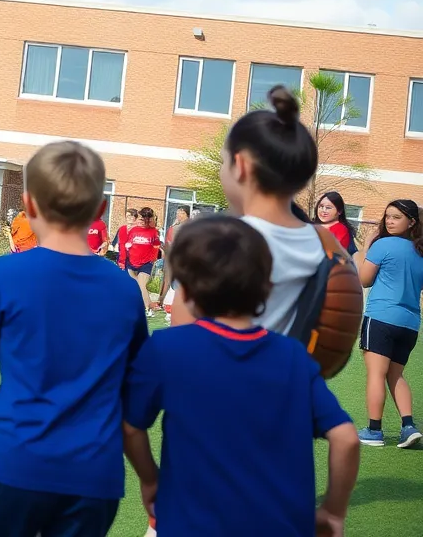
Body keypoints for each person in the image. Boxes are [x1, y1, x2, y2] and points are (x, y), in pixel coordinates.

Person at [0, 141, 147, 536]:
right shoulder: (124, 290)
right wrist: (148, 474)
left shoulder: (6, 273)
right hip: (94, 479)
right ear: (100, 210)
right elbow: (132, 392)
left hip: (14, 464)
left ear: (29, 205)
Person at [122, 215, 360, 537]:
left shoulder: (167, 348)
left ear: (187, 290)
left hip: (190, 521)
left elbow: (130, 426)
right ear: (266, 288)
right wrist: (334, 510)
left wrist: (150, 480)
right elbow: (345, 438)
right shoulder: (292, 357)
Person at [212, 87, 327, 334]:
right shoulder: (324, 245)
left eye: (224, 161)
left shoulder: (225, 241)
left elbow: (185, 325)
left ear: (240, 165)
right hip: (288, 369)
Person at [356, 199, 423, 448]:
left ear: (411, 222)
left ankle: (374, 431)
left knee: (376, 373)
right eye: (387, 217)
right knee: (397, 375)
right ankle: (408, 427)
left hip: (382, 317)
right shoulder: (420, 251)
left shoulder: (382, 245)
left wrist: (365, 246)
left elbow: (364, 280)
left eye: (396, 217)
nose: (389, 221)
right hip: (410, 323)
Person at [127, 207, 161, 317]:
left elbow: (156, 246)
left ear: (147, 220)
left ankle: (147, 309)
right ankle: (140, 306)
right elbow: (128, 243)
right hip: (131, 262)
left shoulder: (153, 232)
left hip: (146, 263)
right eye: (139, 219)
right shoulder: (133, 230)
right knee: (134, 286)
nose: (140, 221)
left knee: (142, 286)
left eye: (142, 219)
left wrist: (153, 259)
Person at [314, 191, 359, 255]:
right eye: (321, 206)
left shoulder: (341, 230)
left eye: (328, 208)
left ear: (339, 211)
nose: (323, 210)